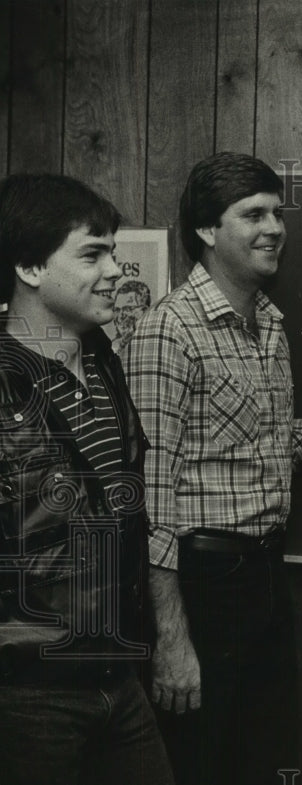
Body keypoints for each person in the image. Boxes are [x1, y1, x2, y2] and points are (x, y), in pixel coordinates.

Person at [122, 152, 302, 785]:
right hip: (200, 584)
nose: (274, 227)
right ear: (206, 230)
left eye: (277, 212)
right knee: (202, 758)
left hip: (262, 576)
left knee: (261, 757)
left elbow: (264, 451)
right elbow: (149, 501)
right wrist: (172, 639)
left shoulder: (269, 326)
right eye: (252, 214)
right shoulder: (166, 332)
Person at [0, 174, 173, 784]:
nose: (115, 271)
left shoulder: (102, 358)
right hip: (28, 699)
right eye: (92, 254)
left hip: (119, 680)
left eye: (115, 253)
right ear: (29, 267)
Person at [111, 279, 151, 353]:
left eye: (127, 309)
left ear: (144, 311)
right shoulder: (109, 349)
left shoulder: (151, 346)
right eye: (117, 310)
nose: (120, 316)